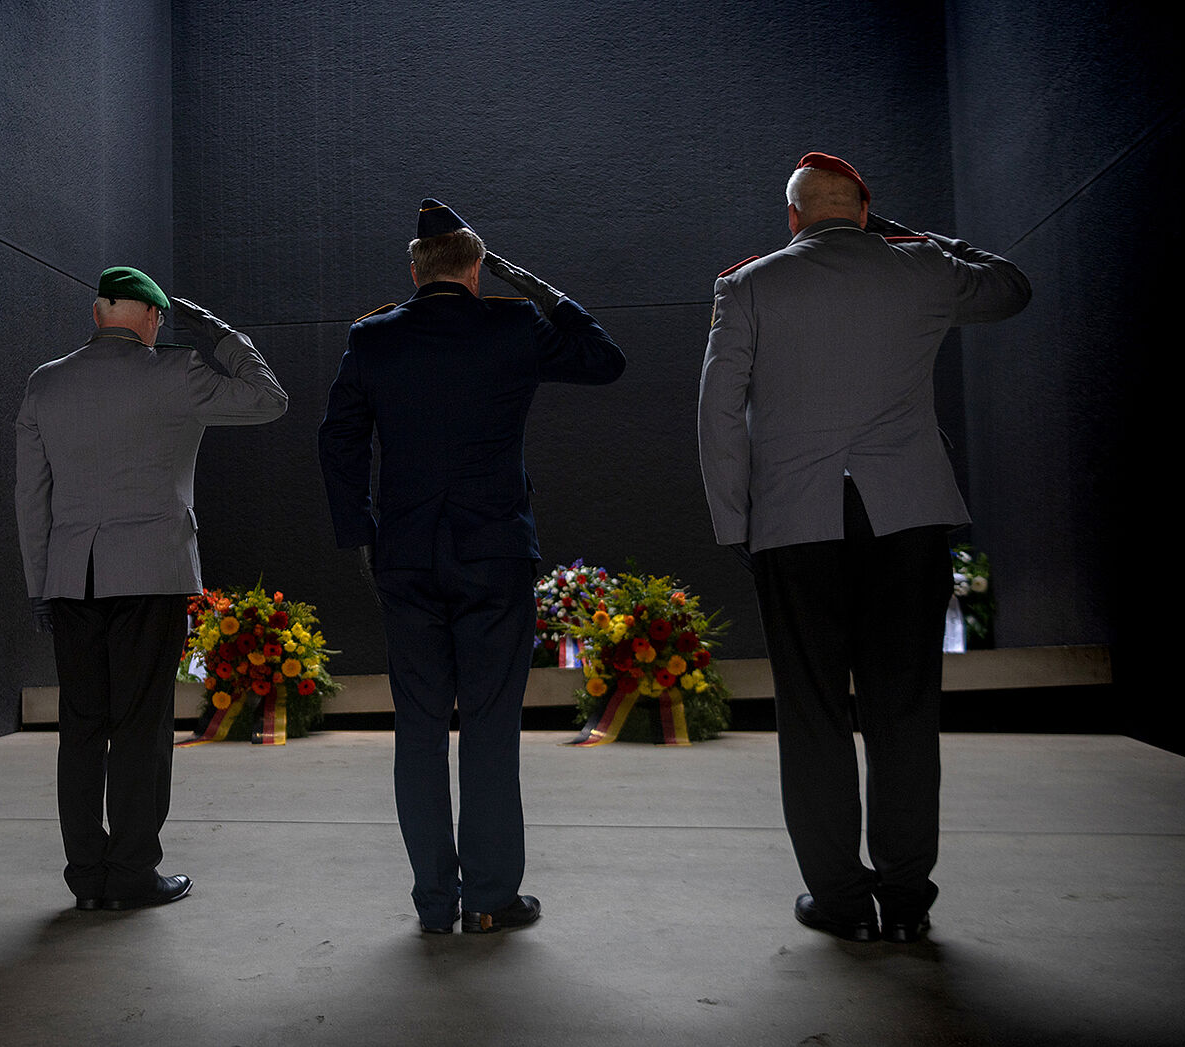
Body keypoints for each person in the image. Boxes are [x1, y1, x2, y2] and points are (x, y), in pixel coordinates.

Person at [698, 153, 1031, 943]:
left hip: (795, 524)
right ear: (863, 210)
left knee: (812, 712)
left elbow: (717, 414)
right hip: (905, 521)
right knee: (905, 709)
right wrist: (906, 235)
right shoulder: (919, 268)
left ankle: (843, 905)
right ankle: (908, 900)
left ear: (792, 218)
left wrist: (736, 522)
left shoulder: (748, 285)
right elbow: (1011, 284)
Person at [318, 200, 626, 934]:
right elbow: (605, 360)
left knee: (419, 728)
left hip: (408, 556)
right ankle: (489, 899)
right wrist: (546, 291)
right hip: (494, 553)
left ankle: (433, 903)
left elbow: (338, 442)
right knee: (490, 725)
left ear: (415, 270)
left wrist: (363, 531)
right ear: (478, 269)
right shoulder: (513, 325)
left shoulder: (372, 338)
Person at [15, 267, 287, 911]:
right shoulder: (175, 371)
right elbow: (268, 398)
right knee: (141, 725)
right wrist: (222, 336)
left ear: (97, 312)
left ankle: (86, 876)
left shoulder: (45, 383)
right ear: (154, 318)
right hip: (151, 575)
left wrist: (39, 585)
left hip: (71, 578)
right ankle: (132, 871)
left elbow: (32, 497)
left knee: (81, 727)